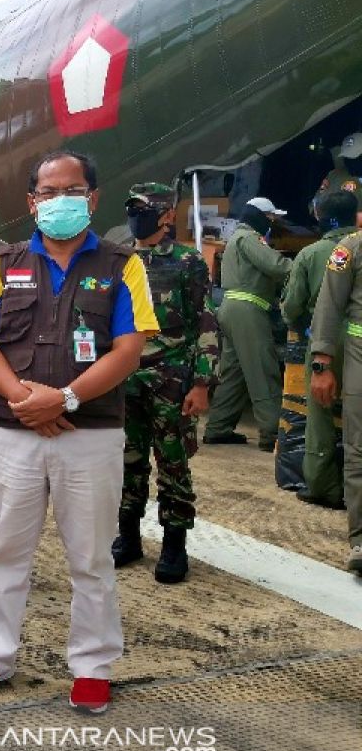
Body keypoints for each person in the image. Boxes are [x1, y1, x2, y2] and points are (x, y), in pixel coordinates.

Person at [0, 151, 158, 715]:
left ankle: (92, 665)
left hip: (88, 433)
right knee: (5, 551)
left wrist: (64, 399)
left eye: (72, 189)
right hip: (14, 430)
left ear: (92, 198)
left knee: (90, 558)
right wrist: (26, 400)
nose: (59, 199)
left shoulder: (123, 266)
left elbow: (129, 350)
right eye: (47, 191)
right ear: (32, 201)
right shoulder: (5, 262)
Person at [113, 183, 219, 584]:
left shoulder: (187, 262)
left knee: (172, 463)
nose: (136, 215)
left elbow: (206, 322)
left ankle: (174, 544)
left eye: (145, 208)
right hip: (126, 379)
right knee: (128, 461)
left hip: (172, 380)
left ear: (166, 215)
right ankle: (128, 537)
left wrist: (202, 383)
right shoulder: (120, 259)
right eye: (132, 208)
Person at [283, 191, 357, 510]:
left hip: (322, 336)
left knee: (320, 414)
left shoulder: (311, 254)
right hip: (357, 339)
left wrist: (298, 325)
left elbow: (292, 304)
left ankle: (322, 485)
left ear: (320, 216)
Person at [202, 197, 292, 451]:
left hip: (232, 310)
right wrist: (305, 266)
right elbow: (275, 265)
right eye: (271, 218)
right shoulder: (248, 238)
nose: (273, 224)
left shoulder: (238, 237)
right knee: (263, 370)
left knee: (235, 373)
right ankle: (272, 433)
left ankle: (218, 428)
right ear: (259, 217)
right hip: (247, 311)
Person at [309, 227, 362, 575]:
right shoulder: (350, 249)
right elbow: (328, 305)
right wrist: (321, 363)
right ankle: (360, 540)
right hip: (359, 355)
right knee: (359, 448)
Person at [312, 132, 362, 222]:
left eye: (355, 158)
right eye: (347, 158)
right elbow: (316, 203)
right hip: (341, 231)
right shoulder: (334, 175)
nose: (350, 163)